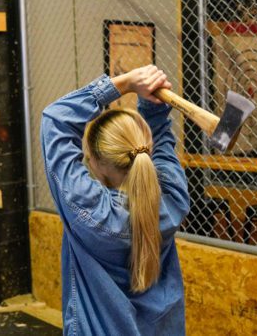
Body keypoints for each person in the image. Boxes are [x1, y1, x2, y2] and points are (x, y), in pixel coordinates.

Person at [40, 65, 190, 335]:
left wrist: (128, 83)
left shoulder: (92, 211)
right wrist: (150, 103)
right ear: (147, 149)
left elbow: (55, 119)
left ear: (95, 161)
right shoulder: (172, 199)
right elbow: (162, 141)